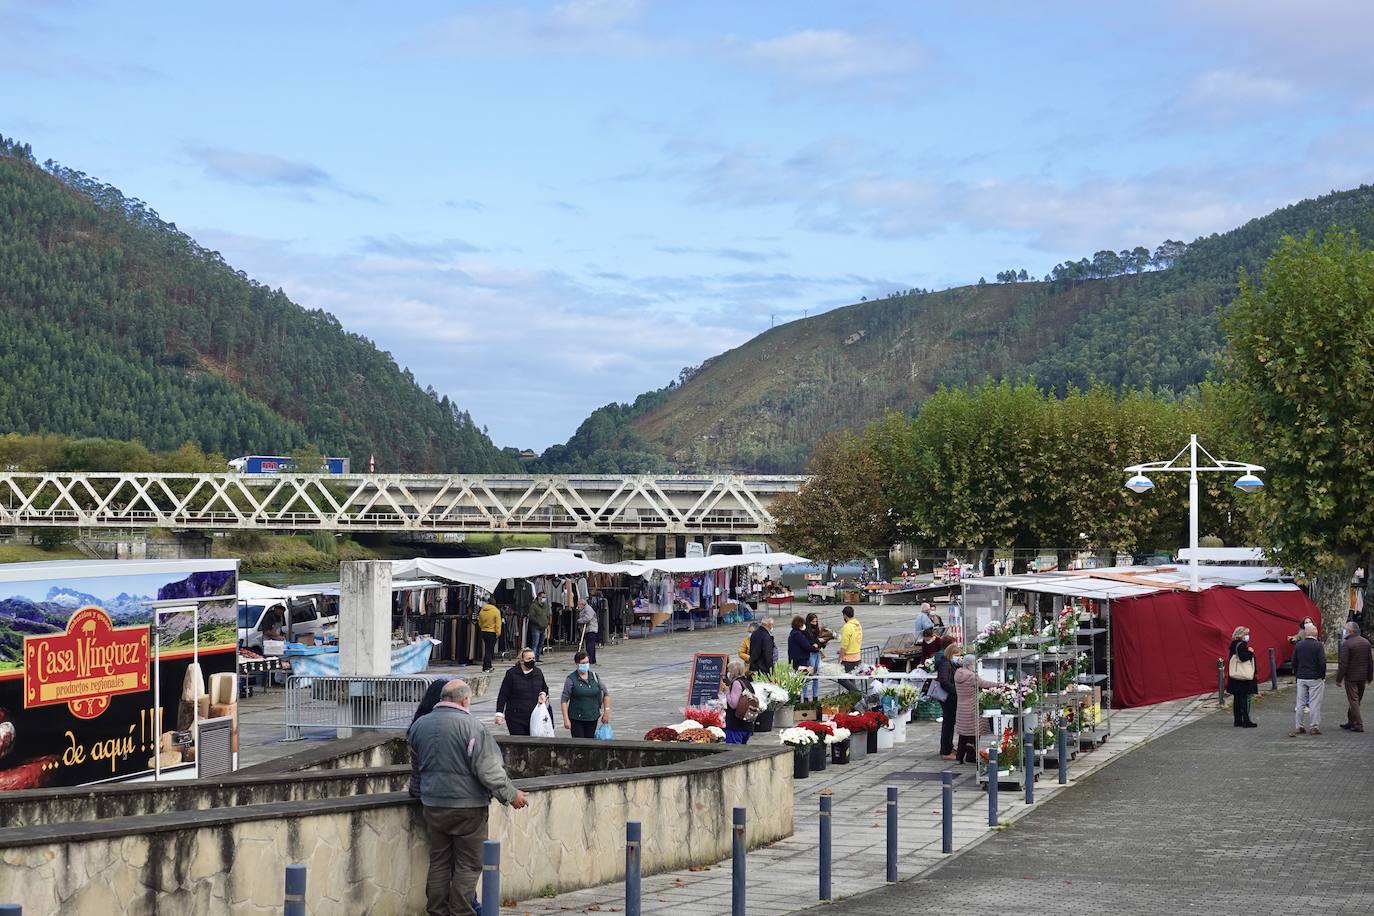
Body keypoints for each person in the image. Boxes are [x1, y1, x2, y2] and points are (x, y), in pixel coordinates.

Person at [407, 679, 529, 916]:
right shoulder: (472, 726)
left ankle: (436, 911)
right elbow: (489, 770)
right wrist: (511, 795)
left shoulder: (419, 726)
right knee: (468, 864)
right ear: (464, 700)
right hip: (468, 807)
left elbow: (416, 767)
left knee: (440, 862)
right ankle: (461, 911)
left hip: (433, 804)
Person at [495, 647, 551, 736]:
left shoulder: (538, 672)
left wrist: (543, 694)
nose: (532, 660)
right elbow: (503, 694)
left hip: (534, 716)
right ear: (521, 661)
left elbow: (544, 688)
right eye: (529, 659)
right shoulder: (512, 674)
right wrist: (499, 713)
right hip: (515, 717)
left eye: (533, 658)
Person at [953, 654, 999, 763]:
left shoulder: (958, 674)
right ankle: (971, 756)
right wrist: (999, 684)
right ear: (970, 664)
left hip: (961, 708)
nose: (976, 665)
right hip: (972, 707)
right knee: (974, 734)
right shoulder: (971, 676)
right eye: (975, 663)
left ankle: (959, 756)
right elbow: (984, 684)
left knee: (963, 734)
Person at [560, 650, 610, 738]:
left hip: (592, 717)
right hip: (577, 718)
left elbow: (606, 693)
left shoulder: (594, 676)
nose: (585, 665)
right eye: (583, 663)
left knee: (590, 741)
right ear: (577, 664)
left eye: (587, 662)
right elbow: (564, 700)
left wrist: (606, 711)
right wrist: (566, 719)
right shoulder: (571, 679)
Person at [1290, 623, 1327, 736]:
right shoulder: (1318, 645)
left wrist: (1297, 673)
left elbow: (1294, 661)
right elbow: (1322, 662)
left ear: (1305, 633)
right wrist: (1322, 676)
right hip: (1315, 677)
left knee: (1300, 702)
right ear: (1315, 633)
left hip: (1302, 677)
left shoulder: (1299, 645)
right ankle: (1314, 726)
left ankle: (1299, 726)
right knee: (1314, 703)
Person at [1337, 621, 1372, 732]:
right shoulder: (1366, 642)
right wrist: (1370, 677)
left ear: (1350, 631)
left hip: (1351, 677)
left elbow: (1343, 663)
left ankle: (1358, 724)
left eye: (1346, 629)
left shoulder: (1347, 644)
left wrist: (1339, 679)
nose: (1344, 631)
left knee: (1353, 700)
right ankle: (1351, 721)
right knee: (1356, 700)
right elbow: (1370, 662)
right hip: (1362, 677)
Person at [1227, 626, 1259, 728]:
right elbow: (1243, 658)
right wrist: (1250, 652)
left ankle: (1238, 720)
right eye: (1246, 634)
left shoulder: (1233, 645)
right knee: (1244, 698)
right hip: (1243, 676)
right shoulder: (1242, 645)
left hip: (1235, 676)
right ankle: (1246, 720)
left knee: (1237, 699)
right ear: (1241, 635)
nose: (1247, 636)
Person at [934, 643, 960, 760]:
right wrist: (955, 691)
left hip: (950, 697)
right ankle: (946, 750)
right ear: (951, 654)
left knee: (949, 724)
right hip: (948, 698)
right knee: (948, 724)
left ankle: (948, 747)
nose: (959, 657)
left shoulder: (949, 664)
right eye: (957, 655)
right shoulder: (945, 664)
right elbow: (944, 681)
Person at [723, 658, 756, 745]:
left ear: (733, 672)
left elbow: (733, 704)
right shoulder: (747, 683)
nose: (728, 674)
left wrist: (727, 691)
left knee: (733, 753)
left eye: (729, 671)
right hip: (747, 726)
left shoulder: (737, 683)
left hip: (736, 726)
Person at [803, 613, 832, 702]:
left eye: (816, 621)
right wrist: (818, 641)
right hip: (811, 653)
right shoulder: (806, 631)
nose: (815, 623)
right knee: (808, 675)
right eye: (813, 621)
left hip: (817, 653)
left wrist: (824, 643)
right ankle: (805, 697)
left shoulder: (817, 630)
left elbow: (819, 644)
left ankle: (815, 696)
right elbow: (809, 642)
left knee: (816, 675)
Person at [838, 606, 863, 692]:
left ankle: (858, 694)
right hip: (857, 656)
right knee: (851, 679)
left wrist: (840, 657)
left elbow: (845, 644)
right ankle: (855, 699)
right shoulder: (858, 625)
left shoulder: (847, 627)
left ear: (844, 615)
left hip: (848, 658)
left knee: (841, 679)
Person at [477, 599, 502, 672]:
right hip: (492, 632)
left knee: (487, 649)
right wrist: (498, 633)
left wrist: (482, 627)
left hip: (484, 631)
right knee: (489, 650)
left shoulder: (482, 611)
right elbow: (498, 624)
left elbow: (480, 622)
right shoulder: (496, 611)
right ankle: (486, 667)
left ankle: (489, 665)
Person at [528, 591, 551, 661]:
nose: (544, 598)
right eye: (543, 597)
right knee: (535, 643)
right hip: (536, 627)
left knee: (541, 644)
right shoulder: (533, 606)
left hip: (543, 627)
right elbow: (532, 616)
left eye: (545, 597)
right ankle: (532, 658)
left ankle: (537, 657)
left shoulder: (545, 606)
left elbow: (547, 615)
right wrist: (538, 623)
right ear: (539, 597)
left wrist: (547, 623)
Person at [577, 600, 599, 665]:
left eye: (578, 605)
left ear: (582, 604)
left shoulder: (588, 609)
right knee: (590, 645)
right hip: (588, 629)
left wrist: (579, 620)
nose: (578, 606)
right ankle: (592, 659)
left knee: (590, 645)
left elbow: (587, 618)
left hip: (591, 629)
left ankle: (590, 659)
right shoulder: (584, 609)